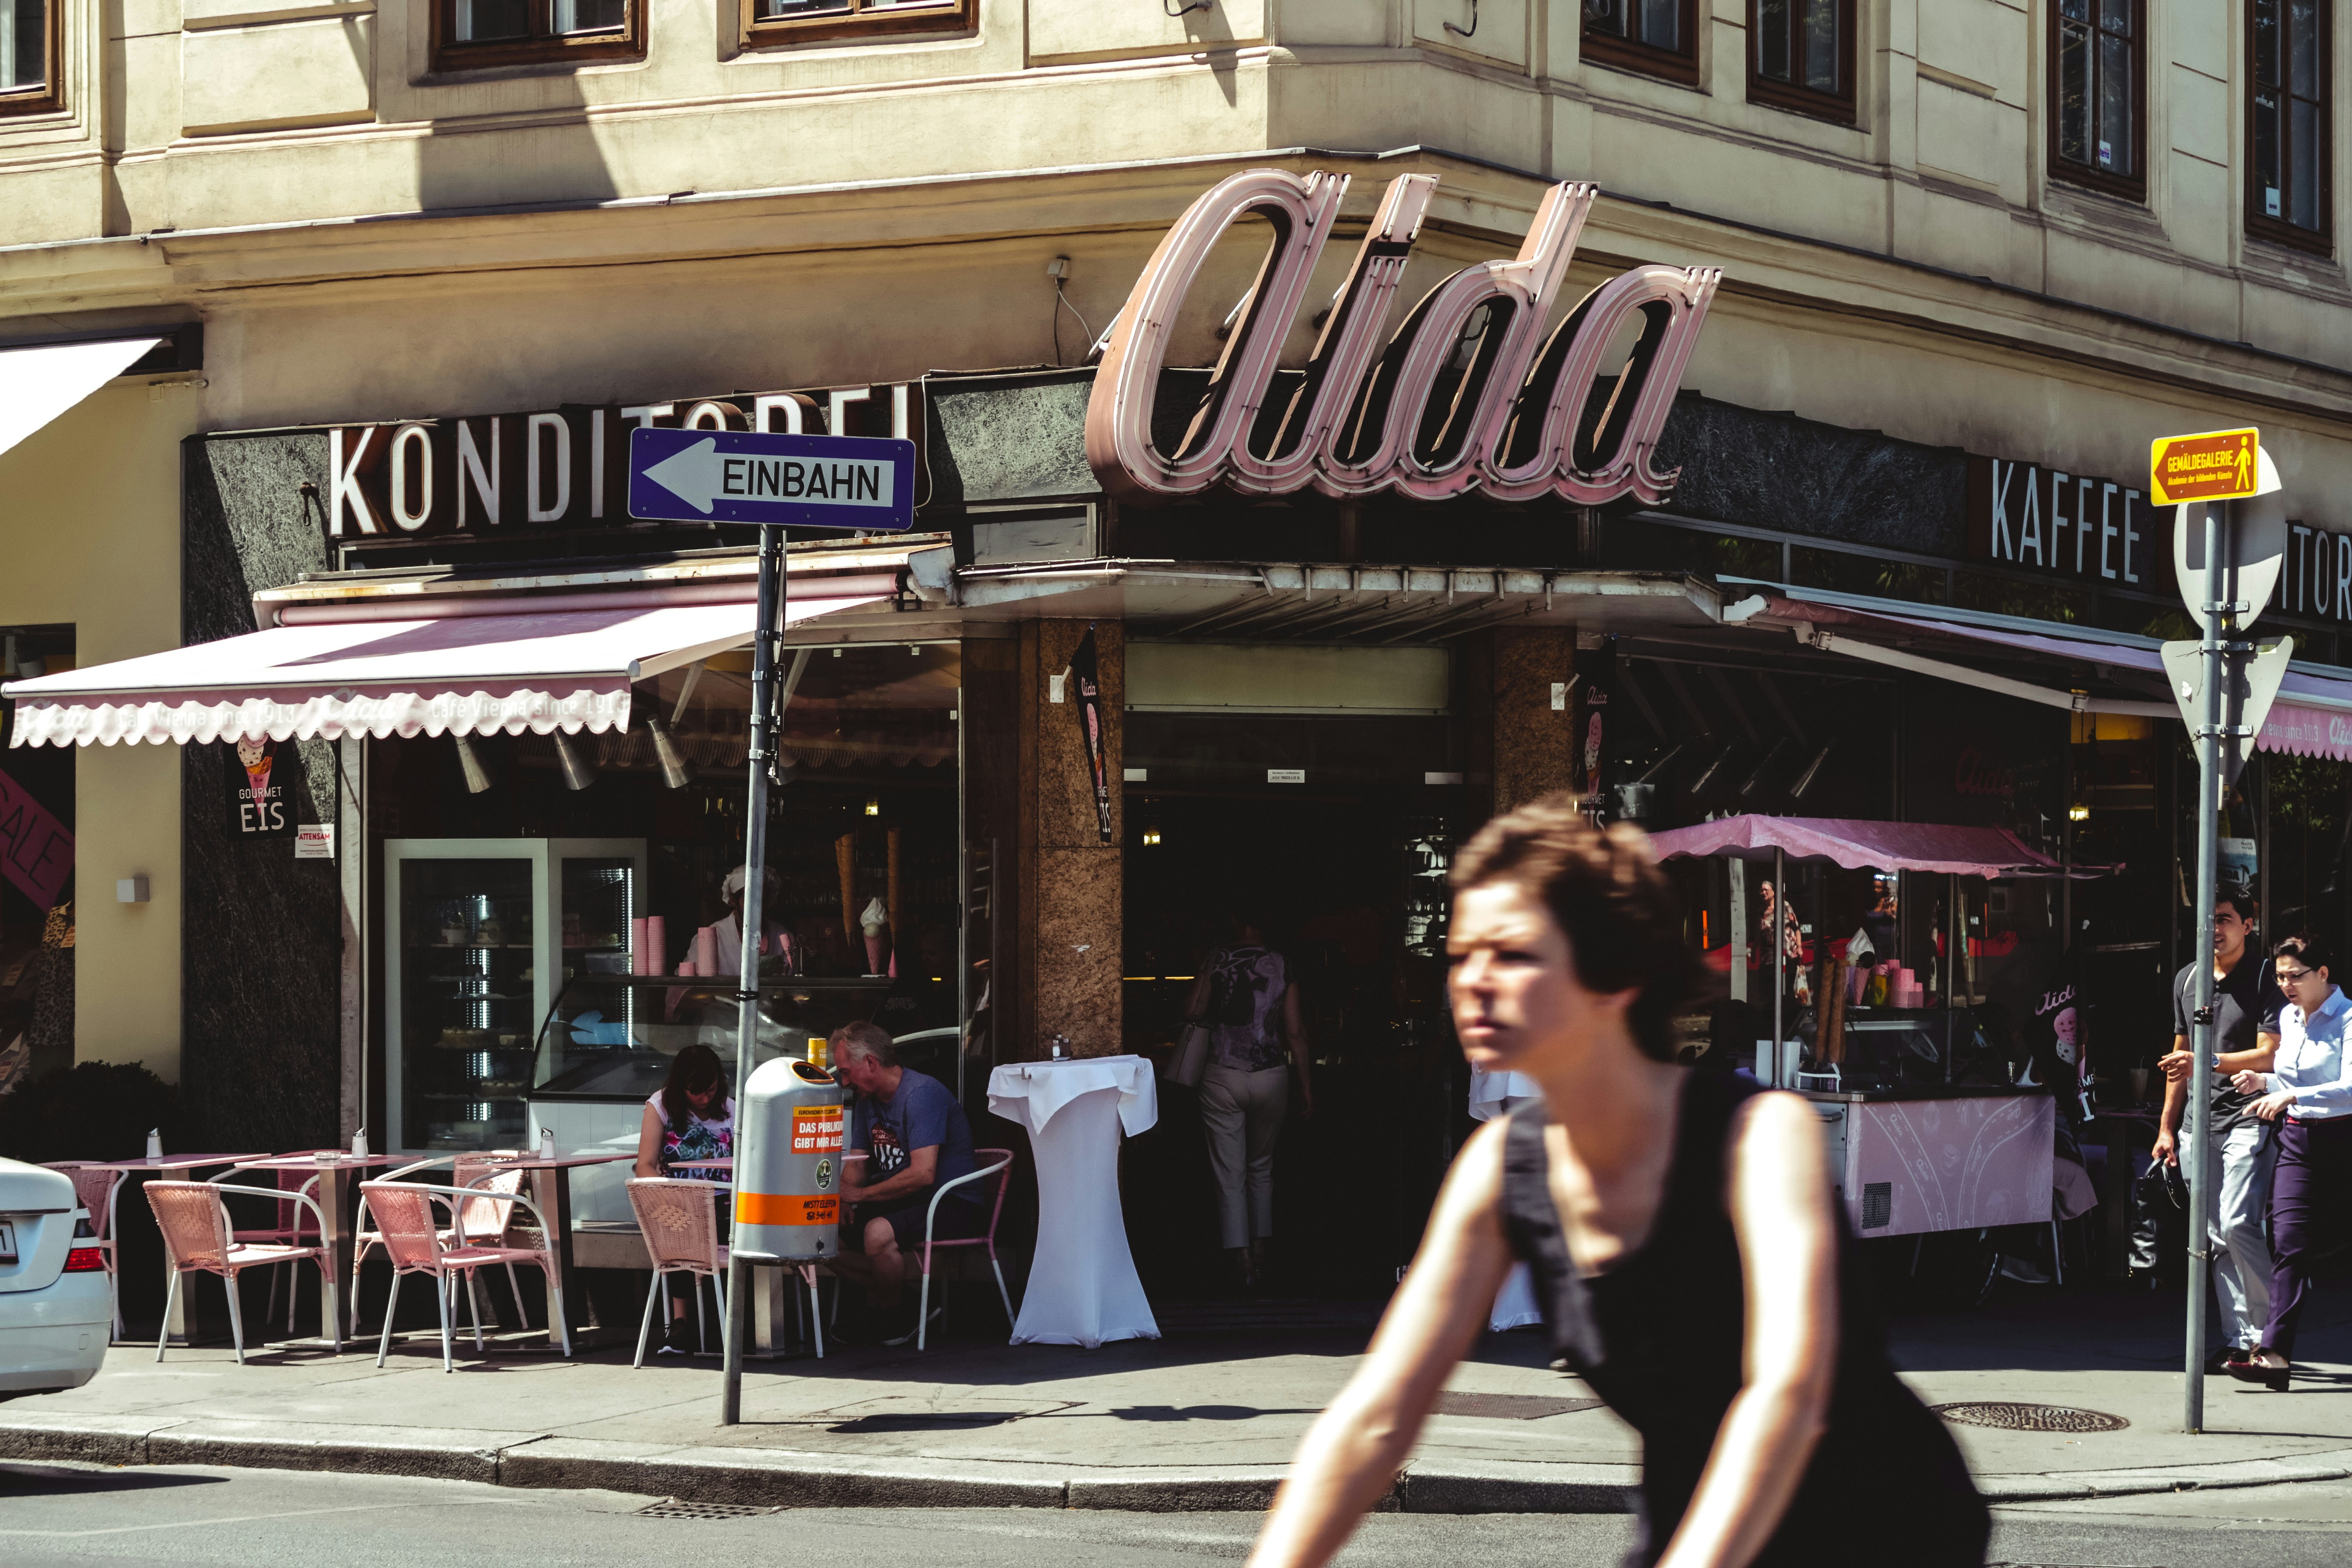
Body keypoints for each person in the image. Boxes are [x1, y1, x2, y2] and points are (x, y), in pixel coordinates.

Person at [1247, 796, 1987, 1568]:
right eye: (1462, 955)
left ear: (1613, 979)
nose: (1474, 981)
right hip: (1699, 1520)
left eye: (1513, 954)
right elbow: (1377, 1416)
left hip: (1884, 1530)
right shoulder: (1502, 1169)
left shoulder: (1759, 1136)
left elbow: (1788, 1390)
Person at [2153, 891, 2280, 1369]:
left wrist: (2208, 1061)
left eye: (2225, 920)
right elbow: (2178, 1062)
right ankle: (2239, 1340)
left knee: (2238, 1224)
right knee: (2213, 1237)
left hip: (2248, 1117)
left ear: (2249, 924)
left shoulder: (2266, 976)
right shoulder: (2189, 979)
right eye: (2208, 922)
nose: (2215, 930)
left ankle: (2271, 1334)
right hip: (2195, 1126)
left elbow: (2269, 1052)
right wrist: (2166, 1127)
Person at [2228, 933, 2352, 1391]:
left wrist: (2288, 1093)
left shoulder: (2348, 1018)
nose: (2285, 985)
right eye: (2280, 976)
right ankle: (2274, 1354)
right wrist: (2262, 1080)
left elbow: (2349, 1088)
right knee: (2288, 1242)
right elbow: (2289, 1074)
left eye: (2295, 975)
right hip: (2298, 1139)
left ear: (2323, 974)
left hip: (2343, 1138)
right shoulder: (2288, 1016)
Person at [828, 1020, 983, 1345]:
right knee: (822, 1240)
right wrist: (843, 1200)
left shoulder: (921, 1094)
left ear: (870, 1062)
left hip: (950, 1201)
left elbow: (923, 1174)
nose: (844, 1082)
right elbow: (858, 1162)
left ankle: (894, 1313)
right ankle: (910, 1303)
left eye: (846, 1071)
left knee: (877, 1233)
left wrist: (861, 1195)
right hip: (905, 1200)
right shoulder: (868, 1100)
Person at [1185, 912, 1313, 1289]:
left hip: (1223, 1074)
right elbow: (1294, 1030)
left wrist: (1208, 968)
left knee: (1230, 1174)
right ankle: (1261, 1251)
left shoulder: (1218, 958)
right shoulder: (1283, 964)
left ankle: (1241, 1261)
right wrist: (1307, 1086)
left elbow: (1192, 1010)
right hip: (1271, 1075)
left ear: (1235, 923)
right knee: (1261, 1166)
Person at [631, 1044, 733, 1356]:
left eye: (711, 1090)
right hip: (679, 1203)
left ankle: (726, 1324)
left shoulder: (731, 1109)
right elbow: (645, 1164)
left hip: (727, 1201)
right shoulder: (660, 1106)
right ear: (680, 1087)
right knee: (678, 1227)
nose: (705, 1098)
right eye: (696, 1092)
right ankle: (681, 1323)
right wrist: (666, 1192)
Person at [713, 864, 796, 977]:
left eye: (763, 900)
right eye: (750, 900)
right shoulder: (713, 935)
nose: (758, 907)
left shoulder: (783, 937)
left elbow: (793, 987)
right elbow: (687, 985)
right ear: (733, 901)